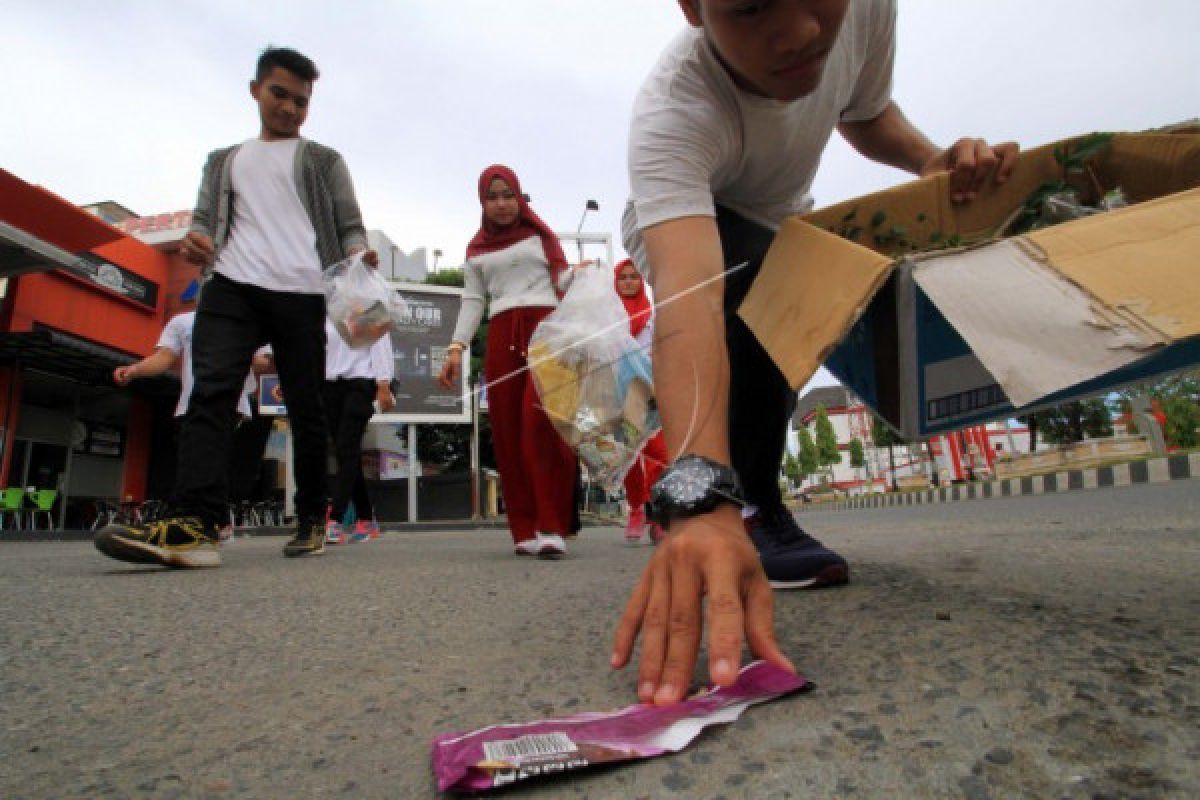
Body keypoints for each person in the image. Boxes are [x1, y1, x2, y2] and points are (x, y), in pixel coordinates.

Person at [612, 0, 1019, 706]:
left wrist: (929, 161)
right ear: (692, 7)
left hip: (786, 217)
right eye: (750, 7)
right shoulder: (674, 113)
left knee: (788, 335)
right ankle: (744, 507)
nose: (802, 33)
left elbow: (863, 109)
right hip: (696, 223)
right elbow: (691, 303)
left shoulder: (864, 9)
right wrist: (700, 498)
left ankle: (758, 501)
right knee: (746, 300)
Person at [95, 45, 376, 569]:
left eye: (301, 101)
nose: (289, 109)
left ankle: (313, 512)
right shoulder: (224, 160)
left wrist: (360, 254)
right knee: (211, 393)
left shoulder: (324, 160)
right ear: (255, 91)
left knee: (306, 406)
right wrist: (198, 241)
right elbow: (204, 220)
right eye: (279, 95)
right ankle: (194, 525)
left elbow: (349, 224)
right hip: (230, 287)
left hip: (301, 292)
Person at [437, 165, 578, 558]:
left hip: (547, 333)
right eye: (492, 197)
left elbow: (562, 280)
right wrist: (456, 348)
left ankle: (552, 525)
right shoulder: (476, 249)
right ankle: (525, 528)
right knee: (507, 430)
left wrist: (584, 276)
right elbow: (473, 300)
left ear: (520, 196)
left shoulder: (541, 236)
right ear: (482, 202)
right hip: (501, 336)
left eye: (507, 195)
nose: (501, 204)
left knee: (540, 425)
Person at [112, 290, 268, 541]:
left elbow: (262, 362)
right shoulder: (183, 322)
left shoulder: (242, 321)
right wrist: (134, 370)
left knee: (210, 454)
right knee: (193, 457)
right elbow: (165, 357)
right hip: (191, 402)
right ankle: (212, 521)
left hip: (230, 400)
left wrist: (248, 349)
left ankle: (202, 521)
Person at [322, 316, 395, 545]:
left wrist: (383, 385)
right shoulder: (326, 307)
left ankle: (335, 518)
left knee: (346, 447)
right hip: (331, 384)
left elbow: (381, 343)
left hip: (362, 383)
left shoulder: (371, 302)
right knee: (346, 452)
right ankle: (366, 518)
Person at [613, 258, 668, 545]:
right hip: (623, 393)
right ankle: (636, 507)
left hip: (652, 390)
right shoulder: (609, 317)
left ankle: (657, 513)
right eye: (622, 277)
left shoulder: (654, 314)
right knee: (630, 453)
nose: (629, 282)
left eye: (634, 276)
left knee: (659, 452)